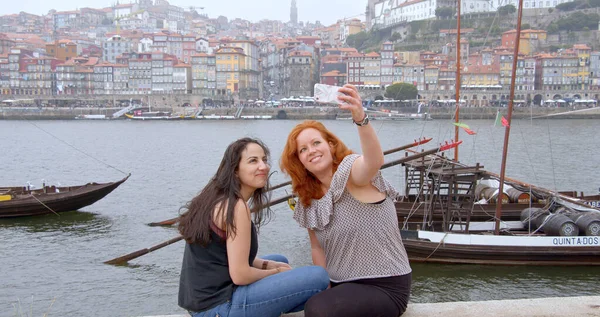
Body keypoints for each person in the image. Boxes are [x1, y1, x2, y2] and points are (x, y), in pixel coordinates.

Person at [280, 84, 412, 317]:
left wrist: (360, 118)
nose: (311, 151)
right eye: (302, 150)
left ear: (331, 145)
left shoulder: (349, 172)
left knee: (317, 310)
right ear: (299, 161)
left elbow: (373, 161)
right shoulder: (307, 201)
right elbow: (316, 247)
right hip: (341, 286)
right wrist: (325, 287)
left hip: (385, 284)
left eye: (316, 143)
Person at [178, 137, 329, 317]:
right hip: (218, 309)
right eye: (253, 161)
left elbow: (222, 255)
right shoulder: (235, 207)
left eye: (264, 160)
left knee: (278, 258)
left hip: (201, 303)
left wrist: (267, 264)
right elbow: (240, 275)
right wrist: (275, 273)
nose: (263, 167)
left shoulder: (217, 197)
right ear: (235, 170)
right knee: (318, 276)